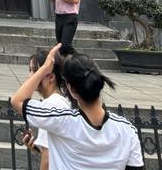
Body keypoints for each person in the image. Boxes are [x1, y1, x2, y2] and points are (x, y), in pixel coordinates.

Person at [11, 43, 144, 170]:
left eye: (34, 70)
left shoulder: (61, 120)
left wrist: (45, 68)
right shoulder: (127, 129)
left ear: (71, 89)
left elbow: (17, 101)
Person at [21, 48, 66, 170]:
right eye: (30, 70)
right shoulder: (60, 101)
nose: (30, 76)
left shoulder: (51, 105)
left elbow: (47, 159)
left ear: (51, 77)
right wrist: (38, 148)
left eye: (36, 71)